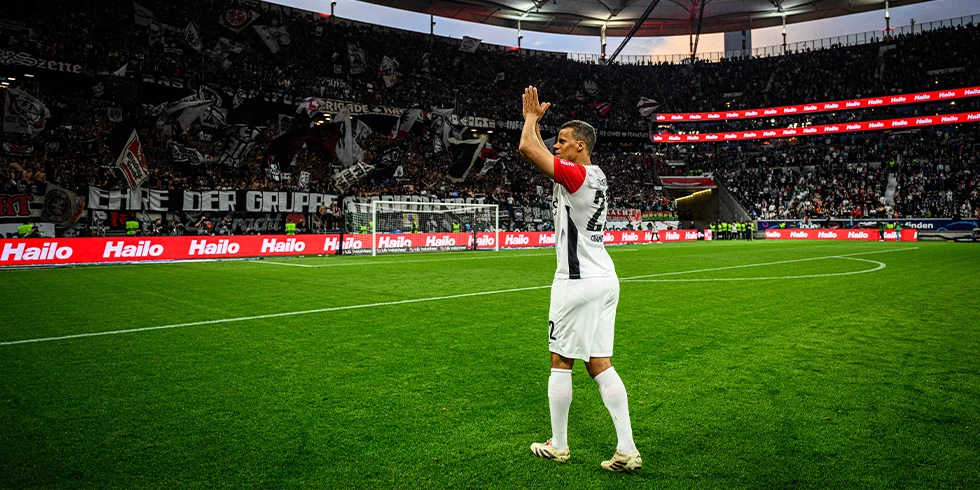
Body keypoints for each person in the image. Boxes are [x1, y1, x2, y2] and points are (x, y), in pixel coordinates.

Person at [518, 86, 640, 472]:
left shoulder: (575, 176)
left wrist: (531, 120)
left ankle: (559, 445)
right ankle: (627, 450)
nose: (556, 146)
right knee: (599, 362)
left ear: (580, 147)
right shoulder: (596, 175)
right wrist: (538, 126)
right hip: (604, 277)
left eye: (562, 141)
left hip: (576, 281)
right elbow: (542, 151)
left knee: (560, 360)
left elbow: (527, 148)